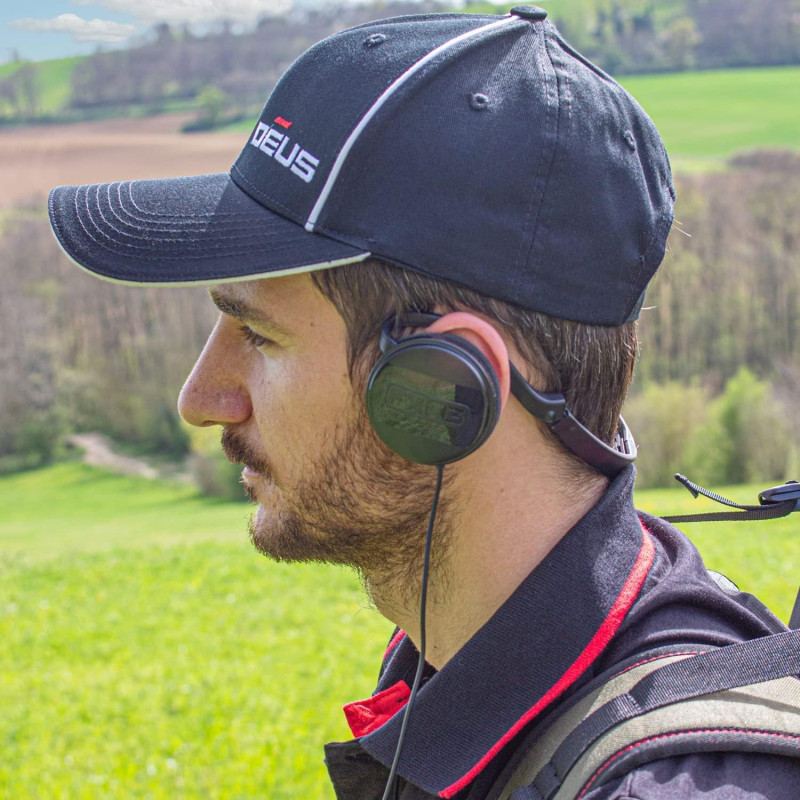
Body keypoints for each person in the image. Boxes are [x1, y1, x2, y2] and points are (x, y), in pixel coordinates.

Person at [48, 6, 799, 799]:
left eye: (260, 336)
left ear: (446, 384)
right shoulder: (460, 653)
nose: (200, 401)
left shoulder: (664, 784)